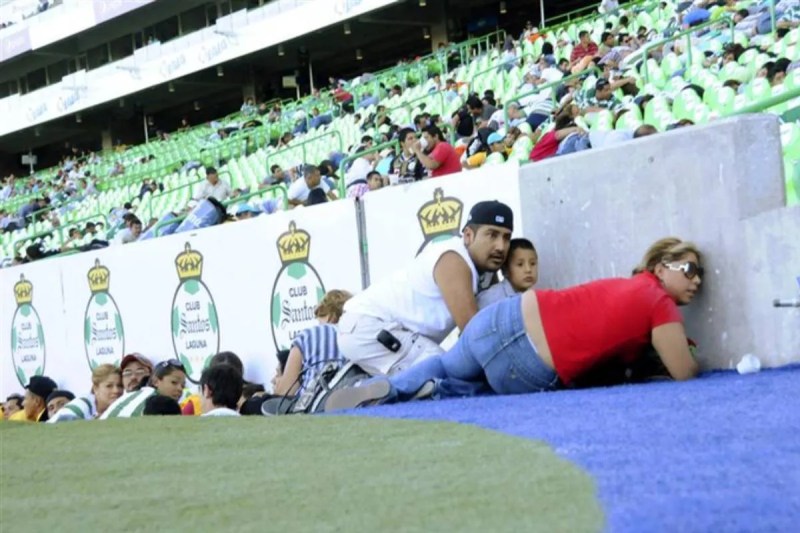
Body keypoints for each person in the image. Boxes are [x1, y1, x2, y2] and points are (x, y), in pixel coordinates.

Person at [325, 237, 703, 411]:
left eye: (700, 274)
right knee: (486, 391)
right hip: (527, 362)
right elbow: (684, 373)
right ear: (659, 268)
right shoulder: (658, 300)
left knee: (444, 361)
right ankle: (442, 391)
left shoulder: (626, 286)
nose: (696, 280)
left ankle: (389, 388)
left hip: (498, 319)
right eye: (688, 270)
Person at [337, 201, 514, 376]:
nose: (500, 246)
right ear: (468, 235)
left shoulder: (484, 269)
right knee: (450, 379)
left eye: (506, 238)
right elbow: (475, 333)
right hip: (370, 328)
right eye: (492, 235)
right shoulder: (453, 259)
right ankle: (355, 391)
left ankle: (359, 386)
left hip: (372, 330)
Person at [48, 365, 123, 422]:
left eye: (120, 386)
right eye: (109, 386)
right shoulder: (81, 405)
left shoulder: (124, 407)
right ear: (95, 388)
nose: (116, 390)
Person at [478, 238, 538, 309]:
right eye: (520, 264)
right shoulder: (491, 299)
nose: (528, 270)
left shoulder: (532, 298)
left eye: (532, 263)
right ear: (505, 270)